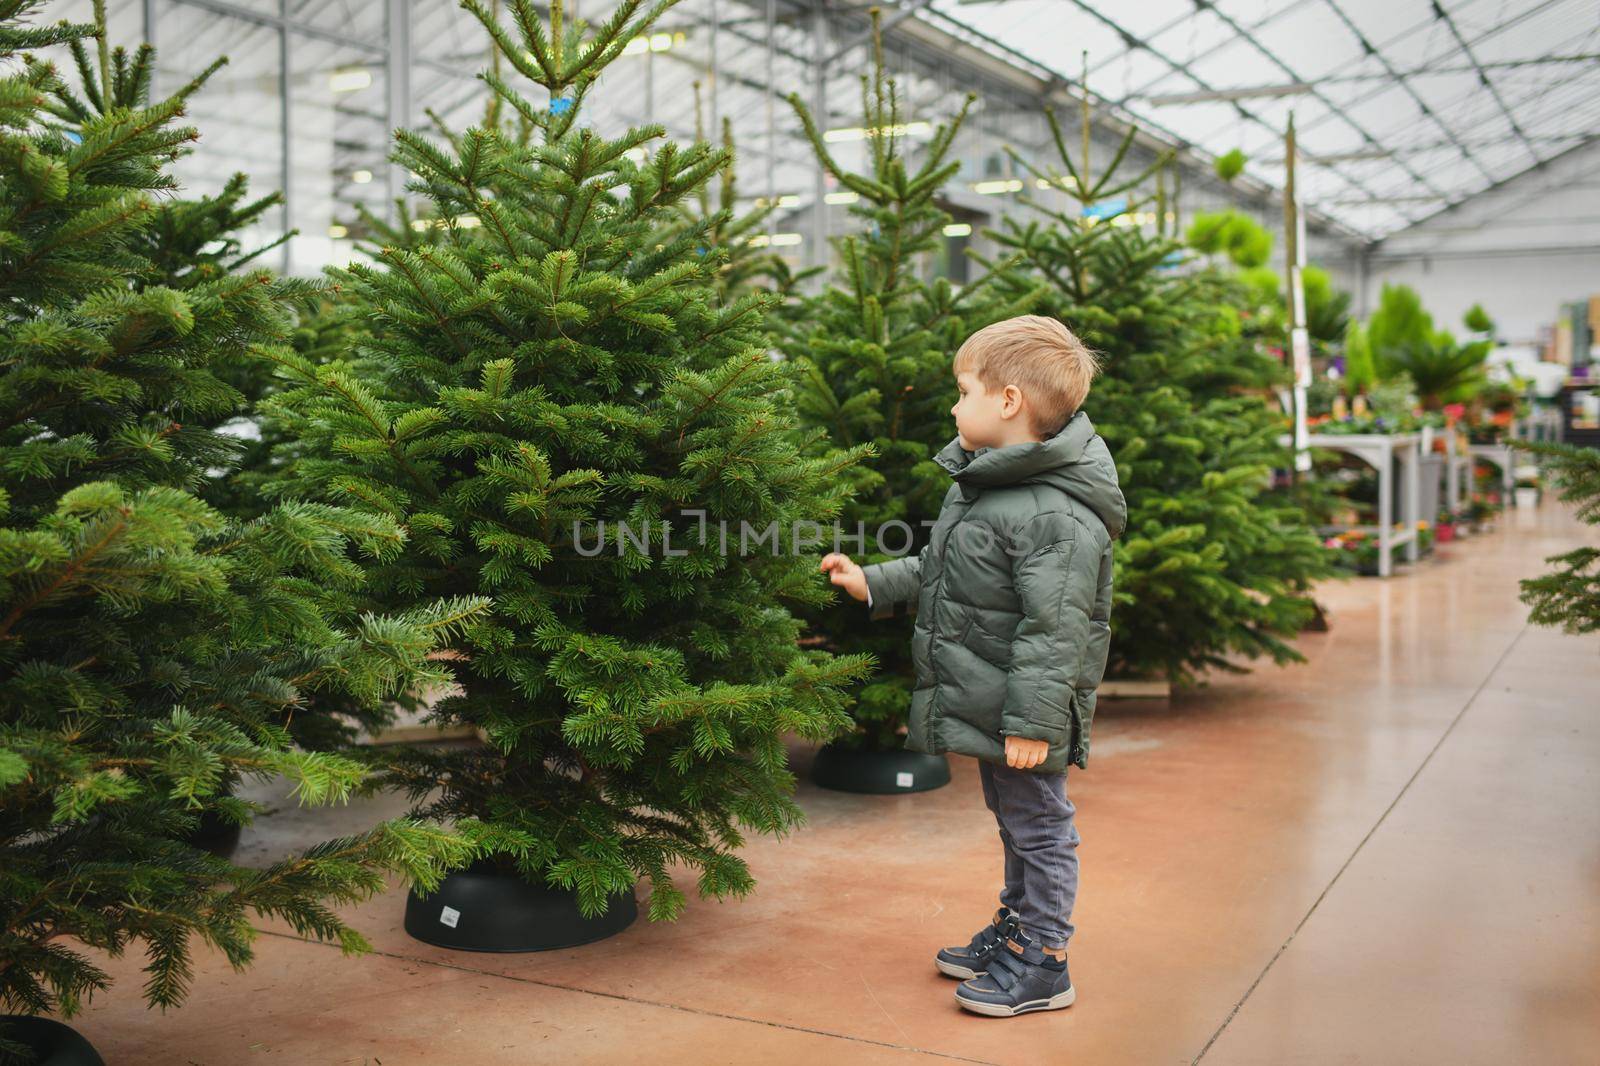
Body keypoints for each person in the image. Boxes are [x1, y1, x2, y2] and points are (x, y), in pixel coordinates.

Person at [819, 314, 1126, 1018]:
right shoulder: (990, 486)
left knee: (1040, 825)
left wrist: (1034, 726)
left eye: (963, 392)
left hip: (1025, 712)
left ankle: (1046, 961)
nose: (954, 408)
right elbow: (943, 568)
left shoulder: (1056, 514)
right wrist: (874, 582)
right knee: (1015, 818)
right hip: (997, 701)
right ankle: (1018, 930)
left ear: (1008, 402)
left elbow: (1057, 632)